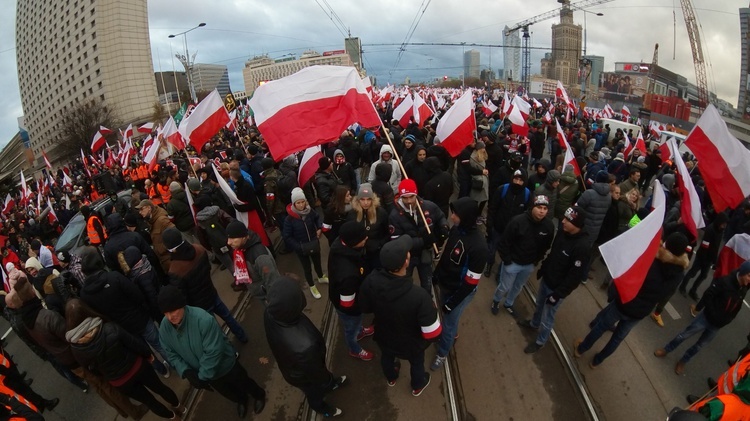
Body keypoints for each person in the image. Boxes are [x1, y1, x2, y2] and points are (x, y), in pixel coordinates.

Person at [573, 233, 690, 367]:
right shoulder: (679, 274)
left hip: (624, 302)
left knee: (601, 326)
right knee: (617, 338)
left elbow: (632, 277)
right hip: (640, 312)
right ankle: (596, 361)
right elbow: (665, 294)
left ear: (667, 245)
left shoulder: (652, 260)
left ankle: (581, 349)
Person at [157, 286, 265, 417]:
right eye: (165, 313)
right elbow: (171, 353)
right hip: (208, 376)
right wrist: (186, 370)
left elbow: (214, 352)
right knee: (227, 392)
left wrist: (202, 377)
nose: (169, 317)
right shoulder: (164, 327)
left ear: (182, 305)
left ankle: (258, 394)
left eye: (172, 310)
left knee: (243, 381)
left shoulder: (203, 320)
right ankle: (241, 399)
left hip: (225, 366)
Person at [66, 300, 183, 420]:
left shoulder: (76, 349)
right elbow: (134, 344)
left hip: (120, 381)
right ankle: (180, 407)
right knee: (160, 388)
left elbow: (93, 370)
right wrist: (148, 355)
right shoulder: (109, 328)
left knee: (149, 401)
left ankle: (173, 417)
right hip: (138, 366)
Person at [359, 235, 441, 396]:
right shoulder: (419, 296)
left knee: (387, 358)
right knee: (417, 363)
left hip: (384, 336)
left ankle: (391, 377)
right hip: (410, 343)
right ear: (406, 262)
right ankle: (418, 384)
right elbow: (433, 333)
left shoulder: (370, 281)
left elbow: (364, 307)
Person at [77, 246, 171, 378]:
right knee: (159, 343)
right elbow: (137, 295)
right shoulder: (114, 277)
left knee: (144, 351)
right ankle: (174, 363)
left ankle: (162, 370)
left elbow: (98, 315)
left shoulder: (84, 294)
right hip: (140, 319)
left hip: (123, 328)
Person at [264, 276, 346, 417]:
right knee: (314, 393)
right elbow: (317, 373)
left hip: (293, 369)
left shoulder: (270, 312)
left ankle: (331, 383)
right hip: (306, 376)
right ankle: (322, 408)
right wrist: (326, 381)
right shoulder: (305, 346)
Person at [654, 260, 750, 374]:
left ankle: (683, 361)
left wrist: (727, 320)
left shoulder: (743, 289)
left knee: (699, 346)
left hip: (716, 326)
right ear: (743, 272)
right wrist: (712, 313)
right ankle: (666, 349)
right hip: (706, 318)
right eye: (749, 276)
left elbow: (736, 308)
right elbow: (708, 295)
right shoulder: (725, 281)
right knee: (684, 335)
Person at [518, 206, 590, 353]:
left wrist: (558, 295)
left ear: (576, 225)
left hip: (556, 289)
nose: (562, 221)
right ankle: (533, 323)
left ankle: (540, 340)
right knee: (539, 304)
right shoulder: (563, 233)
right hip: (547, 279)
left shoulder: (582, 247)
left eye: (567, 220)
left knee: (548, 317)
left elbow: (574, 277)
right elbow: (554, 253)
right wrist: (544, 268)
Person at [161, 228, 248, 344]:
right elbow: (208, 268)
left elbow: (182, 296)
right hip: (212, 293)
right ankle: (242, 336)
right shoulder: (199, 249)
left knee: (215, 330)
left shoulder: (175, 270)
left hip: (200, 306)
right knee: (228, 317)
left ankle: (230, 351)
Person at [431, 198, 488, 371]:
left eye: (456, 214)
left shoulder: (479, 247)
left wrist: (452, 303)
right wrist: (437, 273)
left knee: (448, 323)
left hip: (459, 292)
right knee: (448, 318)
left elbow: (470, 283)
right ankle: (452, 334)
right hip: (446, 284)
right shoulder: (457, 230)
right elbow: (447, 254)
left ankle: (442, 353)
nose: (452, 217)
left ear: (466, 217)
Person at [490, 195, 555, 315]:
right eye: (539, 207)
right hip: (512, 263)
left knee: (518, 287)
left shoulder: (549, 226)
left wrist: (536, 261)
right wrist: (507, 260)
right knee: (505, 286)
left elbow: (546, 246)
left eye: (545, 209)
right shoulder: (518, 221)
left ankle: (509, 303)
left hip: (529, 265)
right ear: (532, 207)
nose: (542, 211)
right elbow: (504, 242)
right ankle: (496, 300)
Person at [389, 179, 448, 293]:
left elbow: (440, 216)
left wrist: (444, 227)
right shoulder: (395, 216)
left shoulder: (429, 206)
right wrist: (423, 241)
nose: (409, 201)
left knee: (427, 284)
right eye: (405, 197)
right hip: (407, 257)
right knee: (405, 285)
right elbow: (397, 241)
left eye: (411, 196)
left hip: (425, 254)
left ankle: (427, 302)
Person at [327, 221, 374, 361]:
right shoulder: (348, 274)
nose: (366, 239)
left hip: (344, 293)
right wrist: (363, 307)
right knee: (350, 328)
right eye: (363, 238)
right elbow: (348, 305)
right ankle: (354, 348)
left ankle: (360, 331)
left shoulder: (340, 244)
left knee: (355, 324)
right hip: (349, 309)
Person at [485, 169, 532, 277]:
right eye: (516, 179)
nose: (517, 182)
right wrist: (490, 224)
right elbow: (493, 208)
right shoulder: (502, 189)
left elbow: (527, 214)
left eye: (521, 180)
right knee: (492, 248)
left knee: (508, 253)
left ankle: (500, 273)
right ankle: (489, 264)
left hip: (513, 232)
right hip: (498, 227)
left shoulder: (527, 195)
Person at [283, 187, 327, 299]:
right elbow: (287, 237)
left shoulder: (310, 211)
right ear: (294, 203)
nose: (301, 205)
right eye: (298, 203)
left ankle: (321, 276)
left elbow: (317, 218)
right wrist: (298, 247)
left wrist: (319, 228)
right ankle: (312, 285)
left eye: (303, 202)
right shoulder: (289, 219)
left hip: (313, 242)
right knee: (307, 268)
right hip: (301, 248)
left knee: (317, 262)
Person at [679, 213, 729, 301]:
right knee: (692, 273)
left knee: (703, 275)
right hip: (702, 256)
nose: (724, 226)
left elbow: (716, 247)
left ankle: (693, 290)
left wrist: (714, 260)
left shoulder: (720, 232)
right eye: (723, 223)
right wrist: (705, 258)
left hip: (709, 259)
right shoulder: (710, 230)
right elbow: (705, 245)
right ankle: (682, 287)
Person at [347, 183, 390, 270]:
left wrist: (379, 245)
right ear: (358, 200)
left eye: (368, 199)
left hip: (377, 254)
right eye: (362, 199)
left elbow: (387, 233)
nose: (366, 203)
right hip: (358, 254)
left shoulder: (381, 213)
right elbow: (348, 234)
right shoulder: (352, 214)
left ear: (372, 199)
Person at [225, 220, 273, 292]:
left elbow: (272, 281)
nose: (228, 242)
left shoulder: (260, 256)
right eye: (228, 238)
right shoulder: (239, 250)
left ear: (244, 237)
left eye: (233, 238)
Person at [135, 199, 175, 273]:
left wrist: (163, 249)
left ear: (149, 208)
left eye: (141, 209)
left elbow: (174, 236)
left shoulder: (161, 220)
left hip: (171, 260)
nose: (140, 212)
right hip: (165, 261)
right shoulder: (151, 221)